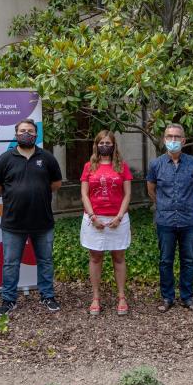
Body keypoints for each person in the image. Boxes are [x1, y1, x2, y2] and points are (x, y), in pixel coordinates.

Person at [0, 118, 63, 316]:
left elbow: (56, 183)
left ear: (36, 134)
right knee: (10, 263)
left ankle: (47, 296)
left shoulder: (47, 158)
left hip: (43, 221)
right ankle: (8, 300)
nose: (26, 134)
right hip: (13, 222)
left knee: (45, 261)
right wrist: (14, 193)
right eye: (22, 131)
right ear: (16, 134)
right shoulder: (6, 158)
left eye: (30, 131)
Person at [147, 123, 193, 312]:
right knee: (165, 260)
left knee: (188, 260)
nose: (173, 140)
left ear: (183, 141)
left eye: (177, 137)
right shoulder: (156, 164)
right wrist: (164, 205)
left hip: (189, 220)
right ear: (164, 140)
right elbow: (151, 189)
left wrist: (185, 204)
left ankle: (187, 297)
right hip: (165, 220)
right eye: (169, 136)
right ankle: (167, 297)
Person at [80, 130, 133, 316]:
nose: (105, 146)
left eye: (108, 143)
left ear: (114, 146)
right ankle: (95, 297)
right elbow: (84, 194)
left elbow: (127, 194)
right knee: (95, 258)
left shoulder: (122, 166)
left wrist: (119, 216)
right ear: (96, 145)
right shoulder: (89, 166)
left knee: (119, 258)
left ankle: (121, 297)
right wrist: (93, 217)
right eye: (101, 143)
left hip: (117, 219)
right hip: (94, 220)